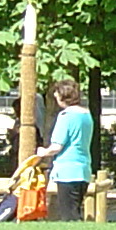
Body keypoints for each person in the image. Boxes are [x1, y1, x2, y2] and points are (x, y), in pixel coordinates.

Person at [39, 78, 95, 220]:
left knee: (68, 215)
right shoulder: (86, 115)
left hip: (67, 171)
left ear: (63, 96)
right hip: (83, 168)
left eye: (57, 94)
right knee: (75, 209)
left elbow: (57, 146)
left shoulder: (66, 116)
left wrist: (42, 152)